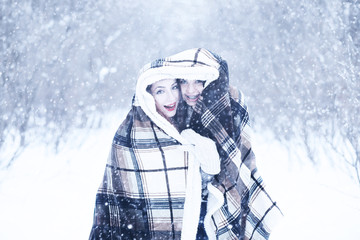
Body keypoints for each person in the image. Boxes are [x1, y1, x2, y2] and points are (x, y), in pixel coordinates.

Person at [89, 55, 221, 240]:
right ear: (147, 95)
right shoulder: (129, 135)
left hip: (194, 229)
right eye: (160, 91)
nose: (171, 96)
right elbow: (118, 198)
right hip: (143, 231)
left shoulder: (189, 124)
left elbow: (203, 190)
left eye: (174, 87)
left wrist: (207, 165)